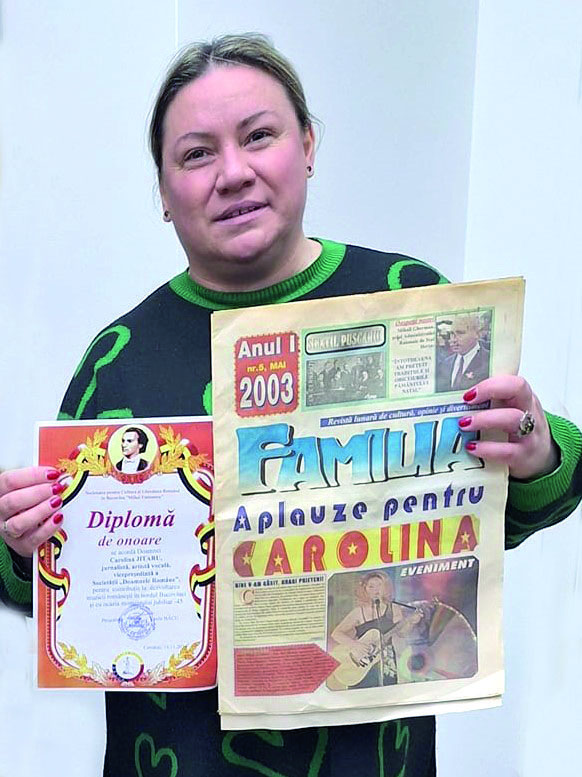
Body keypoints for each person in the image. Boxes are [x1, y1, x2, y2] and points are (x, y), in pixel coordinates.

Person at [0, 33, 581, 776]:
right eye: (196, 154)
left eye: (259, 136)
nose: (233, 173)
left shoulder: (411, 301)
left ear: (307, 146)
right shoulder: (118, 361)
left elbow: (497, 519)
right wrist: (22, 544)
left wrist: (536, 450)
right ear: (164, 193)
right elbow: (39, 587)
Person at [330, 572, 419, 689]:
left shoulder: (394, 608)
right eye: (371, 586)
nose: (376, 589)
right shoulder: (358, 612)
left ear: (385, 587)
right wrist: (355, 645)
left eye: (379, 585)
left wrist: (411, 622)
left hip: (386, 663)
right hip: (361, 664)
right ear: (365, 589)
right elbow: (336, 633)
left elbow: (402, 633)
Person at [435, 313, 490, 392]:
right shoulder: (445, 364)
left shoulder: (489, 360)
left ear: (477, 334)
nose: (453, 339)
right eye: (452, 334)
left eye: (460, 333)